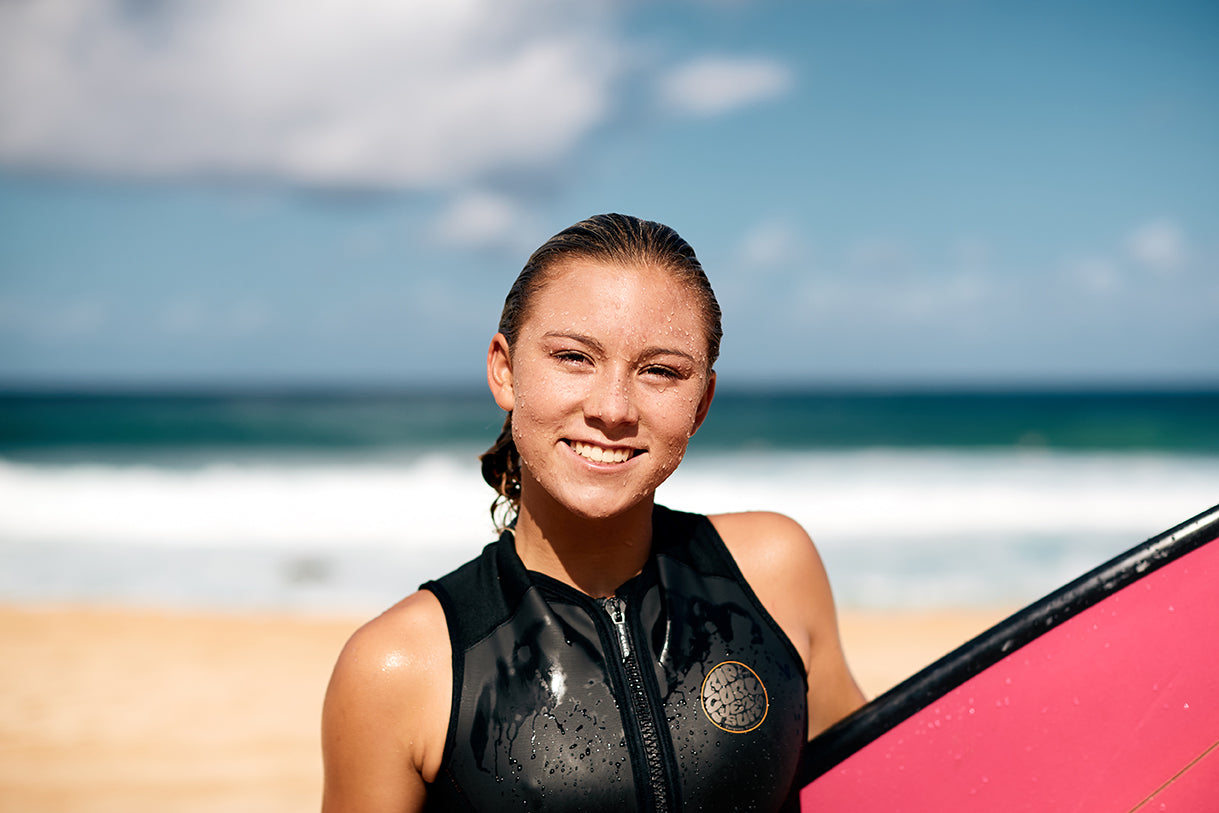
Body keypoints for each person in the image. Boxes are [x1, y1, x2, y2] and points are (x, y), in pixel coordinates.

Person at [321, 213, 865, 812]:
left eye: (661, 371)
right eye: (575, 358)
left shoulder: (773, 571)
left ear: (702, 402)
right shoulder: (403, 666)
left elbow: (876, 786)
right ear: (505, 370)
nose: (612, 408)